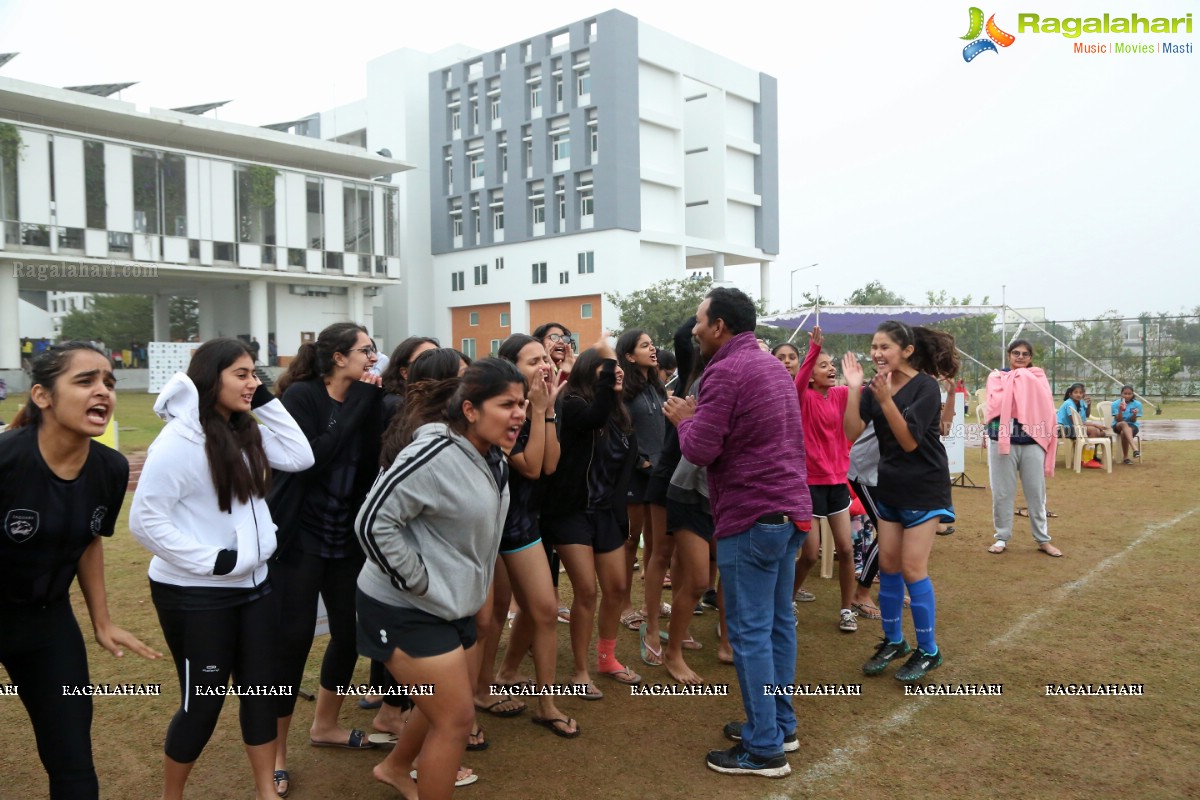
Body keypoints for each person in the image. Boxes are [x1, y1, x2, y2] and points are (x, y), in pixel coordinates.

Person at [130, 338, 314, 800]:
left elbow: (300, 455)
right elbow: (145, 520)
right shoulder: (179, 440)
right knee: (204, 704)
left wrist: (264, 398)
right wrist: (216, 561)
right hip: (196, 594)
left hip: (254, 585)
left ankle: (264, 792)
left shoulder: (244, 430)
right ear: (212, 379)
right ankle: (172, 796)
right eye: (242, 374)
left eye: (256, 373)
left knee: (261, 694)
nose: (253, 382)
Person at [354, 358, 525, 799]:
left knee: (439, 706)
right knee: (455, 719)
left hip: (451, 607)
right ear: (470, 409)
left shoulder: (493, 460)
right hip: (405, 608)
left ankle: (394, 767)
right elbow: (372, 522)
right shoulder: (431, 454)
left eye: (522, 404)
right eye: (507, 404)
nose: (519, 413)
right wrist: (420, 582)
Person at [1, 342, 161, 799]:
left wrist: (102, 620)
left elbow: (89, 539)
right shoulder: (7, 460)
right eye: (86, 380)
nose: (104, 391)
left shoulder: (108, 468)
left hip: (48, 624)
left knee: (72, 758)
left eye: (109, 382)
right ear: (42, 396)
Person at [666, 287, 807, 778]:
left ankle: (764, 747)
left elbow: (701, 450)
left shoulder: (724, 371)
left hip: (750, 516)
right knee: (776, 625)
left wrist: (685, 420)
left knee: (748, 633)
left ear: (720, 326)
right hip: (789, 513)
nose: (696, 329)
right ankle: (779, 725)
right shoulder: (770, 365)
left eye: (700, 321)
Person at [269, 323, 386, 797]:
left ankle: (326, 726)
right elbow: (312, 459)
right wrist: (359, 402)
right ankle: (275, 753)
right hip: (300, 537)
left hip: (345, 538)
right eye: (365, 350)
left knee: (349, 633)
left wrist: (369, 403)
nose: (373, 358)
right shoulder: (301, 398)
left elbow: (373, 459)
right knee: (292, 640)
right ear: (338, 357)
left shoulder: (368, 398)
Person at [842, 321, 959, 683]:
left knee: (912, 568)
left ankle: (929, 650)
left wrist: (884, 400)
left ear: (906, 350)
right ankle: (894, 641)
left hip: (924, 487)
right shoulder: (876, 386)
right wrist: (854, 390)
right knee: (888, 567)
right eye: (874, 347)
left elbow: (909, 441)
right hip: (889, 484)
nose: (877, 353)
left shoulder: (925, 387)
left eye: (885, 347)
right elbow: (850, 432)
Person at [541, 335, 642, 697]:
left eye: (615, 372)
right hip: (571, 511)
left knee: (616, 587)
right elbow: (592, 414)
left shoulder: (618, 413)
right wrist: (610, 356)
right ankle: (580, 670)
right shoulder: (572, 405)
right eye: (606, 372)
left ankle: (606, 657)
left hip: (605, 512)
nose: (614, 376)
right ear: (589, 373)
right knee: (586, 589)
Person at [488, 334, 578, 737]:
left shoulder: (539, 406)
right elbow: (531, 466)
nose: (544, 365)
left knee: (543, 609)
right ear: (510, 369)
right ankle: (480, 688)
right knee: (488, 618)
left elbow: (552, 464)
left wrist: (547, 411)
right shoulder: (501, 411)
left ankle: (546, 703)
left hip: (524, 523)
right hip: (491, 527)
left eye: (546, 358)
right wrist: (539, 409)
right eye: (533, 361)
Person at [792, 326, 859, 632]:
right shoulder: (803, 397)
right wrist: (812, 353)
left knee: (846, 550)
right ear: (812, 373)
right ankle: (787, 600)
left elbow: (866, 395)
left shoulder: (841, 395)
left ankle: (847, 609)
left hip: (836, 483)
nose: (831, 368)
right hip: (810, 484)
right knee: (809, 554)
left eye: (832, 365)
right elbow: (798, 381)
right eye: (824, 365)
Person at [614, 328, 669, 643]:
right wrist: (640, 462)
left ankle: (651, 603)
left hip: (658, 473)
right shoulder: (625, 390)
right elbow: (621, 430)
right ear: (630, 354)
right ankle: (623, 604)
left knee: (654, 541)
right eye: (645, 345)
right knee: (631, 540)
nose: (653, 349)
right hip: (636, 474)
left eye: (653, 344)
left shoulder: (656, 386)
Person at [984, 340, 1061, 557]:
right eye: (1016, 353)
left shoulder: (1038, 377)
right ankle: (1001, 537)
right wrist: (1017, 386)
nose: (1020, 357)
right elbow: (995, 405)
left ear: (1030, 357)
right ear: (1009, 355)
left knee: (1036, 493)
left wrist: (1022, 382)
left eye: (1025, 354)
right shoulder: (997, 377)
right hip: (1001, 439)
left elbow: (1045, 407)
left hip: (1032, 441)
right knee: (1002, 492)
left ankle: (1043, 539)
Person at [1056, 383, 1106, 468]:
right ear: (1070, 394)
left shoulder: (1081, 403)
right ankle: (1087, 460)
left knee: (1101, 433)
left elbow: (1086, 416)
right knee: (1094, 430)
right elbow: (1077, 422)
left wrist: (1089, 405)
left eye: (1080, 392)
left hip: (1074, 428)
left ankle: (1090, 456)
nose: (1078, 394)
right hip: (1063, 429)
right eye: (1076, 392)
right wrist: (1095, 424)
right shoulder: (1069, 403)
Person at [1112, 385, 1142, 465]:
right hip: (1118, 425)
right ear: (1121, 394)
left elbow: (1133, 420)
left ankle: (1126, 458)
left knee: (1123, 433)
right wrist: (1120, 410)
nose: (1127, 396)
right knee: (1123, 423)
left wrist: (1135, 414)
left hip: (1132, 425)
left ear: (1132, 394)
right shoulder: (1115, 404)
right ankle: (1135, 448)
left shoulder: (1137, 404)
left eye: (1129, 394)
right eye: (1125, 393)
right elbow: (1118, 420)